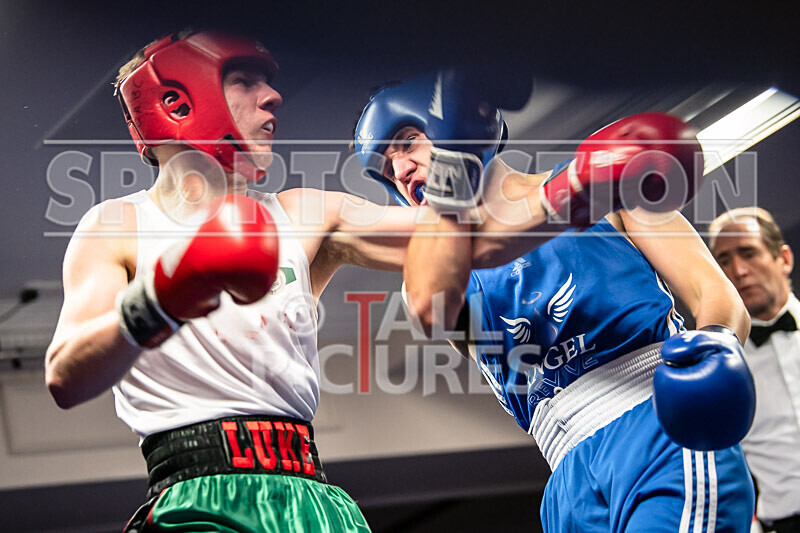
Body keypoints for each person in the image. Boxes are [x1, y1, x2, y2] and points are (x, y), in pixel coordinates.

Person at [43, 29, 451, 532]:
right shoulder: (115, 226)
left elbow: (463, 235)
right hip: (195, 502)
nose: (273, 95)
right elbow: (64, 375)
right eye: (244, 80)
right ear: (177, 100)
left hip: (314, 502)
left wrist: (466, 150)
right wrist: (167, 294)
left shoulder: (302, 214)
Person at [354, 74, 758, 532]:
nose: (401, 171)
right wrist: (452, 182)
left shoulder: (601, 179)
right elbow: (431, 307)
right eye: (387, 170)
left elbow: (715, 294)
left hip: (656, 426)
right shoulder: (434, 279)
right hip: (566, 482)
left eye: (407, 143)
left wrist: (715, 348)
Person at [709, 207, 800, 533]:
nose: (739, 270)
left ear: (784, 259)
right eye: (724, 261)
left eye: (749, 253)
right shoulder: (717, 370)